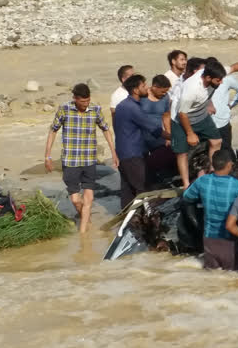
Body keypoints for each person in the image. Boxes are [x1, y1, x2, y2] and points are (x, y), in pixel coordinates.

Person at [44, 83, 118, 233]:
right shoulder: (65, 109)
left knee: (89, 198)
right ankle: (86, 218)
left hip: (89, 160)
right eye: (83, 102)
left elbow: (106, 129)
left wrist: (113, 152)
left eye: (88, 101)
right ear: (75, 99)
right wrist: (48, 155)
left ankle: (83, 234)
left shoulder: (95, 110)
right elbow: (53, 131)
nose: (86, 104)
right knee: (75, 200)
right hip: (70, 161)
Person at [183, 149, 238, 270]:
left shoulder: (202, 181)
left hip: (209, 239)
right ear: (229, 165)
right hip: (229, 240)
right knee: (231, 277)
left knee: (212, 275)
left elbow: (187, 197)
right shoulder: (237, 185)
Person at [113, 74, 166, 209]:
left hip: (122, 153)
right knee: (144, 189)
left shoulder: (122, 105)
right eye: (143, 86)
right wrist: (176, 138)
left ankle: (128, 222)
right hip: (133, 154)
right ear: (136, 90)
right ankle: (148, 221)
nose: (147, 88)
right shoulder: (133, 108)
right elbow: (154, 129)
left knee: (127, 192)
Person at [172, 59, 226, 189]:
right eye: (219, 80)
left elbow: (235, 67)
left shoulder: (213, 72)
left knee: (216, 141)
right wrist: (190, 134)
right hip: (180, 118)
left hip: (200, 115)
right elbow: (182, 114)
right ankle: (186, 183)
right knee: (182, 152)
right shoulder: (191, 89)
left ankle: (213, 172)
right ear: (208, 78)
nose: (221, 82)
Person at [141, 74, 176, 183]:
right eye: (162, 91)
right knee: (143, 164)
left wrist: (168, 136)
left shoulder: (165, 98)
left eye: (166, 92)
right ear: (154, 87)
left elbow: (166, 116)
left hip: (159, 135)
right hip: (141, 137)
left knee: (160, 161)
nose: (164, 94)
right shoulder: (143, 96)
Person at [210, 71, 238, 156]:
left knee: (225, 148)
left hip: (223, 121)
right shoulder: (202, 82)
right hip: (208, 122)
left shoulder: (227, 79)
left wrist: (232, 103)